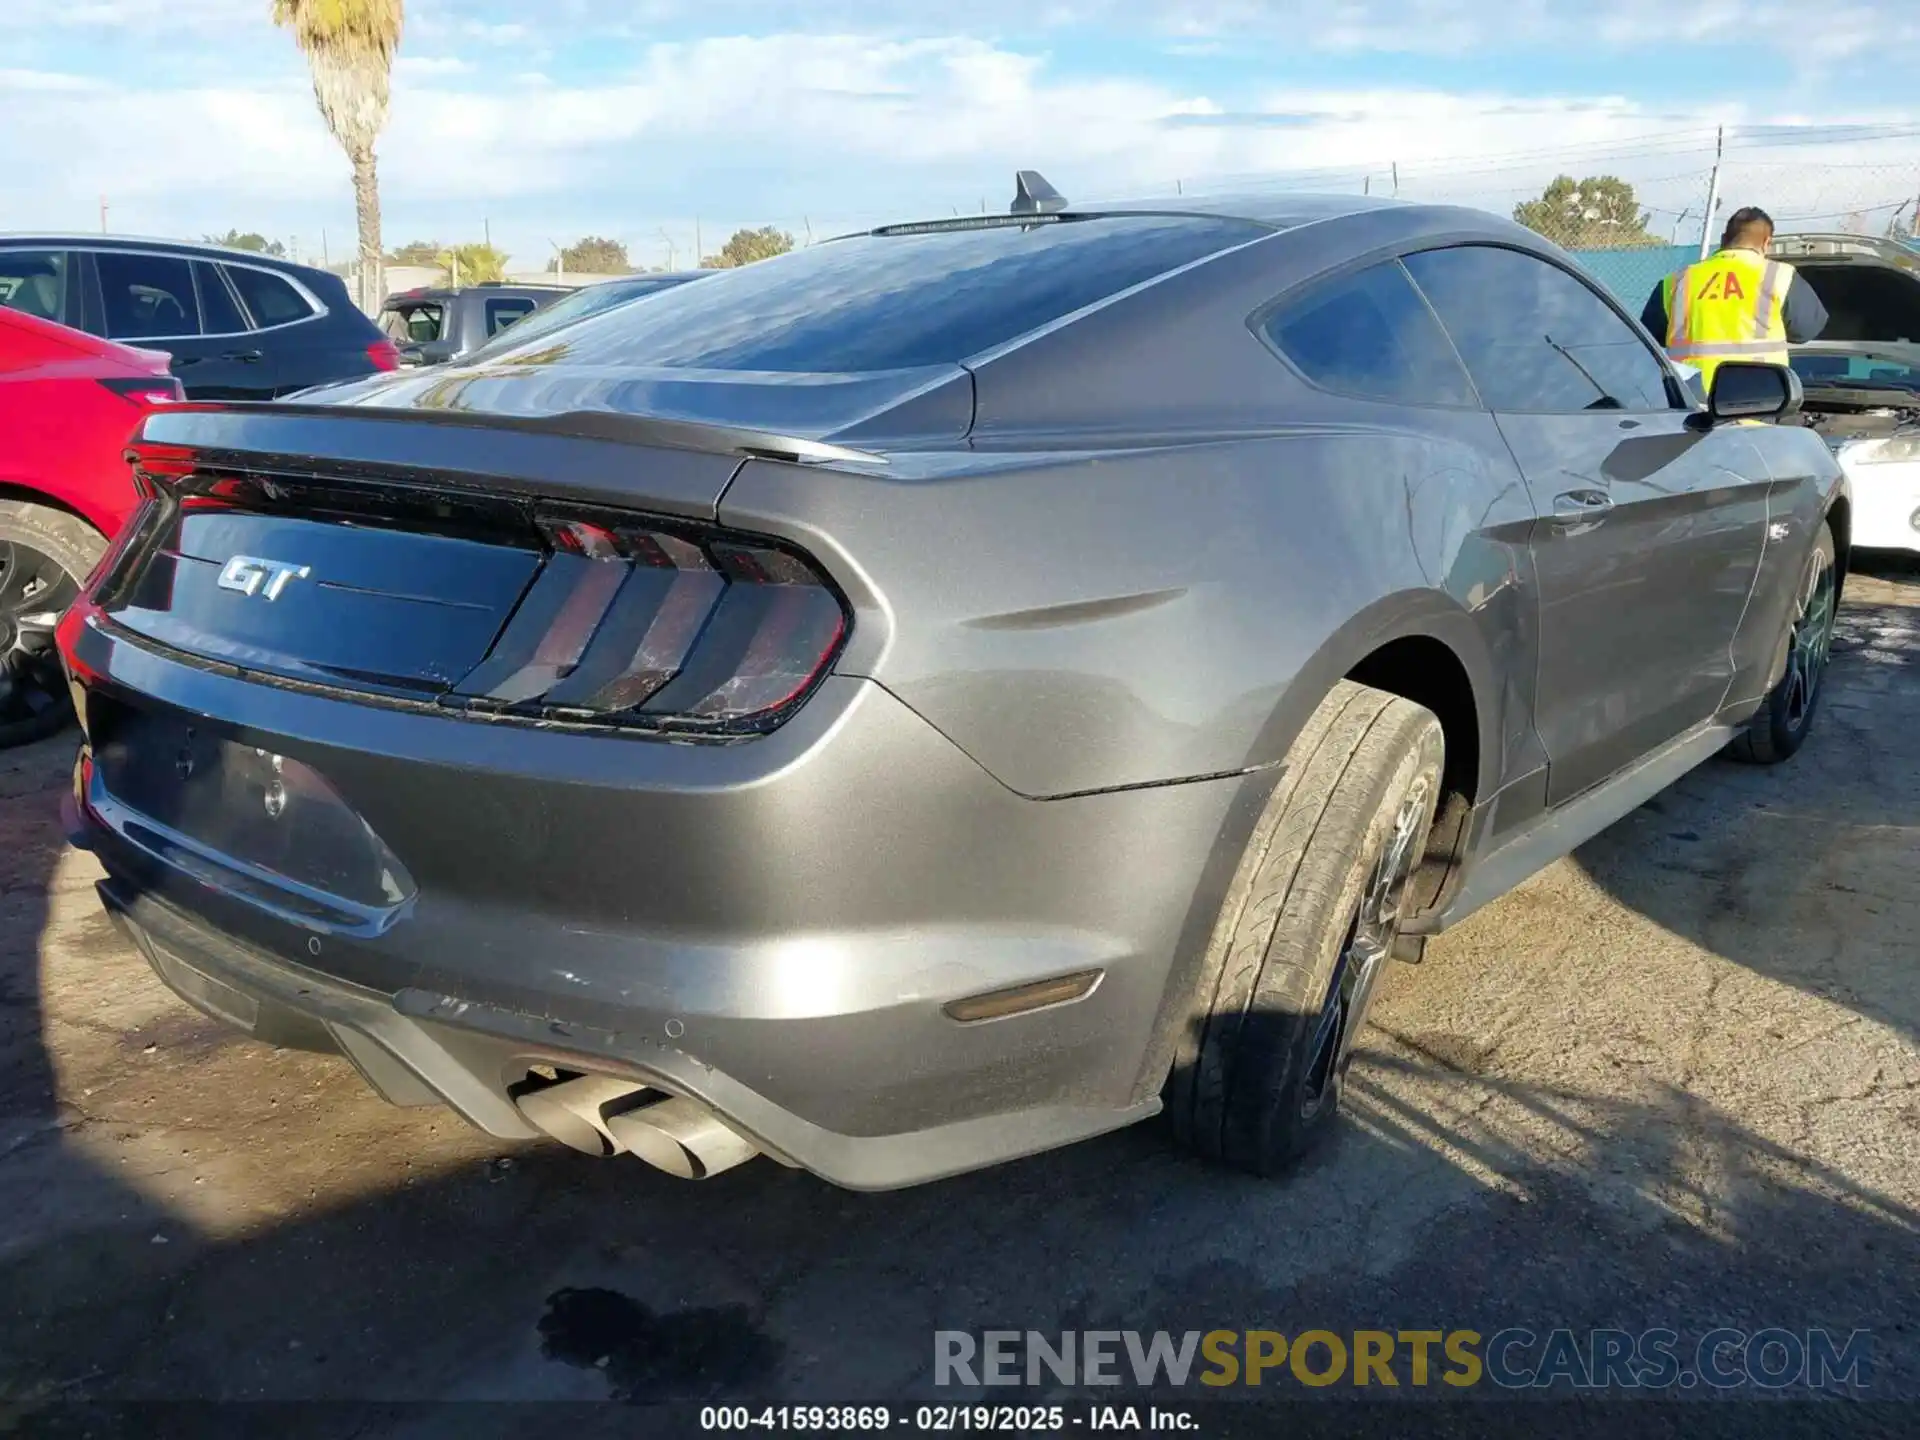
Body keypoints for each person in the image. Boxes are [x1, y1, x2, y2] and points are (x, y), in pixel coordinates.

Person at [1642, 206, 1827, 391]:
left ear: (1723, 239)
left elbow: (1646, 340)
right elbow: (1806, 330)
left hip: (1687, 400)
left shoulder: (1676, 281)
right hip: (1757, 398)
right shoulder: (1780, 276)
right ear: (1766, 243)